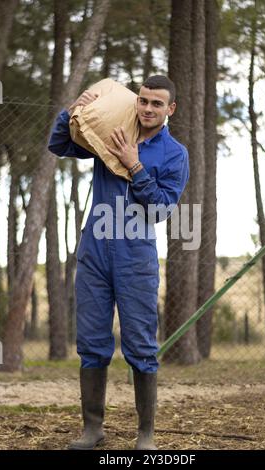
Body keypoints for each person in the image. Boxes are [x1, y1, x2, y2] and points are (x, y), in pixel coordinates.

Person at [48, 75, 189, 450]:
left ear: (170, 109)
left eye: (156, 104)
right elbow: (58, 144)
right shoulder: (113, 130)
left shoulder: (174, 154)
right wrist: (72, 109)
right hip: (94, 252)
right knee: (92, 343)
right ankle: (92, 430)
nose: (147, 108)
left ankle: (146, 435)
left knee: (141, 346)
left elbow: (160, 209)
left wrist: (135, 166)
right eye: (143, 101)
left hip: (135, 257)